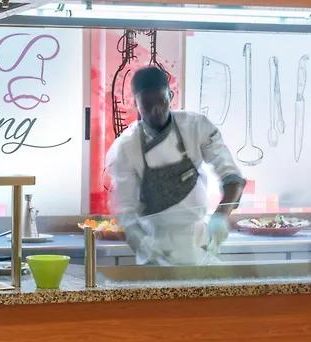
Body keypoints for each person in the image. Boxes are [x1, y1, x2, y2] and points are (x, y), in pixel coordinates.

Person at [106, 66, 247, 265]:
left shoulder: (196, 126)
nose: (156, 110)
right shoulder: (126, 146)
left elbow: (232, 177)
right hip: (155, 250)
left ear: (170, 96)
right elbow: (124, 206)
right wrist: (139, 239)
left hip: (200, 245)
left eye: (162, 101)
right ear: (135, 103)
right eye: (147, 104)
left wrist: (220, 217)